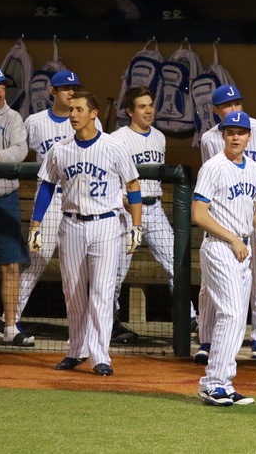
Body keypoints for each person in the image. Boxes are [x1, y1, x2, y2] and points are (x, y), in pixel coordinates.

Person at [28, 91, 142, 375]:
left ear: (93, 114)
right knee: (74, 292)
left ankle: (100, 356)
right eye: (71, 110)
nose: (73, 115)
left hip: (106, 224)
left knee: (102, 292)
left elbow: (133, 185)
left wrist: (136, 226)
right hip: (71, 224)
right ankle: (76, 351)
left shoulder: (113, 146)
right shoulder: (60, 149)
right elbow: (46, 186)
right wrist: (36, 224)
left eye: (79, 109)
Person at [0, 69, 92, 343]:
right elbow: (17, 149)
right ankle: (8, 321)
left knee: (81, 266)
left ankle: (87, 327)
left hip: (78, 199)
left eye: (74, 88)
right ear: (53, 92)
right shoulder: (35, 121)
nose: (71, 92)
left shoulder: (84, 118)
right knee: (36, 261)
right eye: (65, 88)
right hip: (49, 200)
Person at [192, 111, 256, 406]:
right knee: (232, 313)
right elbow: (199, 214)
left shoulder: (253, 168)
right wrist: (234, 239)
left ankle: (223, 383)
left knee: (237, 320)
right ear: (223, 135)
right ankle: (212, 383)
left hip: (242, 250)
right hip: (219, 247)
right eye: (230, 132)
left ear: (249, 136)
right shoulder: (213, 167)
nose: (235, 137)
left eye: (240, 132)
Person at [110, 86, 197, 343]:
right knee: (116, 271)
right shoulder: (117, 139)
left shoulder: (159, 136)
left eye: (150, 105)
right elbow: (109, 175)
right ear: (129, 111)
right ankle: (110, 321)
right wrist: (120, 199)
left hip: (155, 208)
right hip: (126, 212)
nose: (148, 111)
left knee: (175, 262)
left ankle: (189, 317)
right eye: (142, 106)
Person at [0, 66, 30, 346]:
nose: (0, 92)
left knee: (11, 264)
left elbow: (20, 149)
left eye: (3, 87)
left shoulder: (12, 117)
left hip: (4, 197)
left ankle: (10, 327)